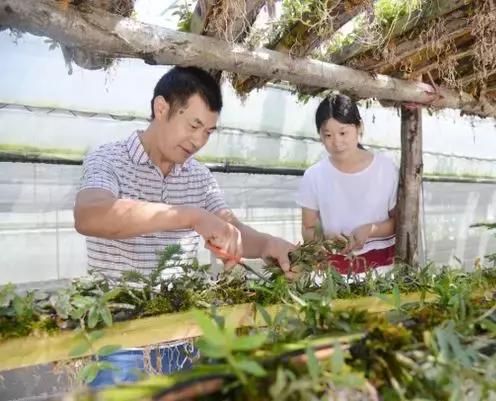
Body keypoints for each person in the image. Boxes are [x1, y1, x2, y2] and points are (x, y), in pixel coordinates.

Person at [73, 66, 296, 387]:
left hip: (182, 333)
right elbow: (90, 215)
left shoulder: (199, 176)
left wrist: (267, 244)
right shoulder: (108, 160)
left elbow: (229, 228)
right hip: (120, 341)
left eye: (208, 131)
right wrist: (189, 215)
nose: (198, 140)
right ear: (161, 108)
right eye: (193, 125)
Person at [296, 94, 399, 275]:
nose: (336, 142)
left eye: (343, 133)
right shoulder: (314, 176)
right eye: (328, 135)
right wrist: (323, 240)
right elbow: (308, 228)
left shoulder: (386, 169)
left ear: (359, 127)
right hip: (335, 276)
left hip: (383, 271)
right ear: (320, 135)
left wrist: (370, 230)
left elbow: (399, 222)